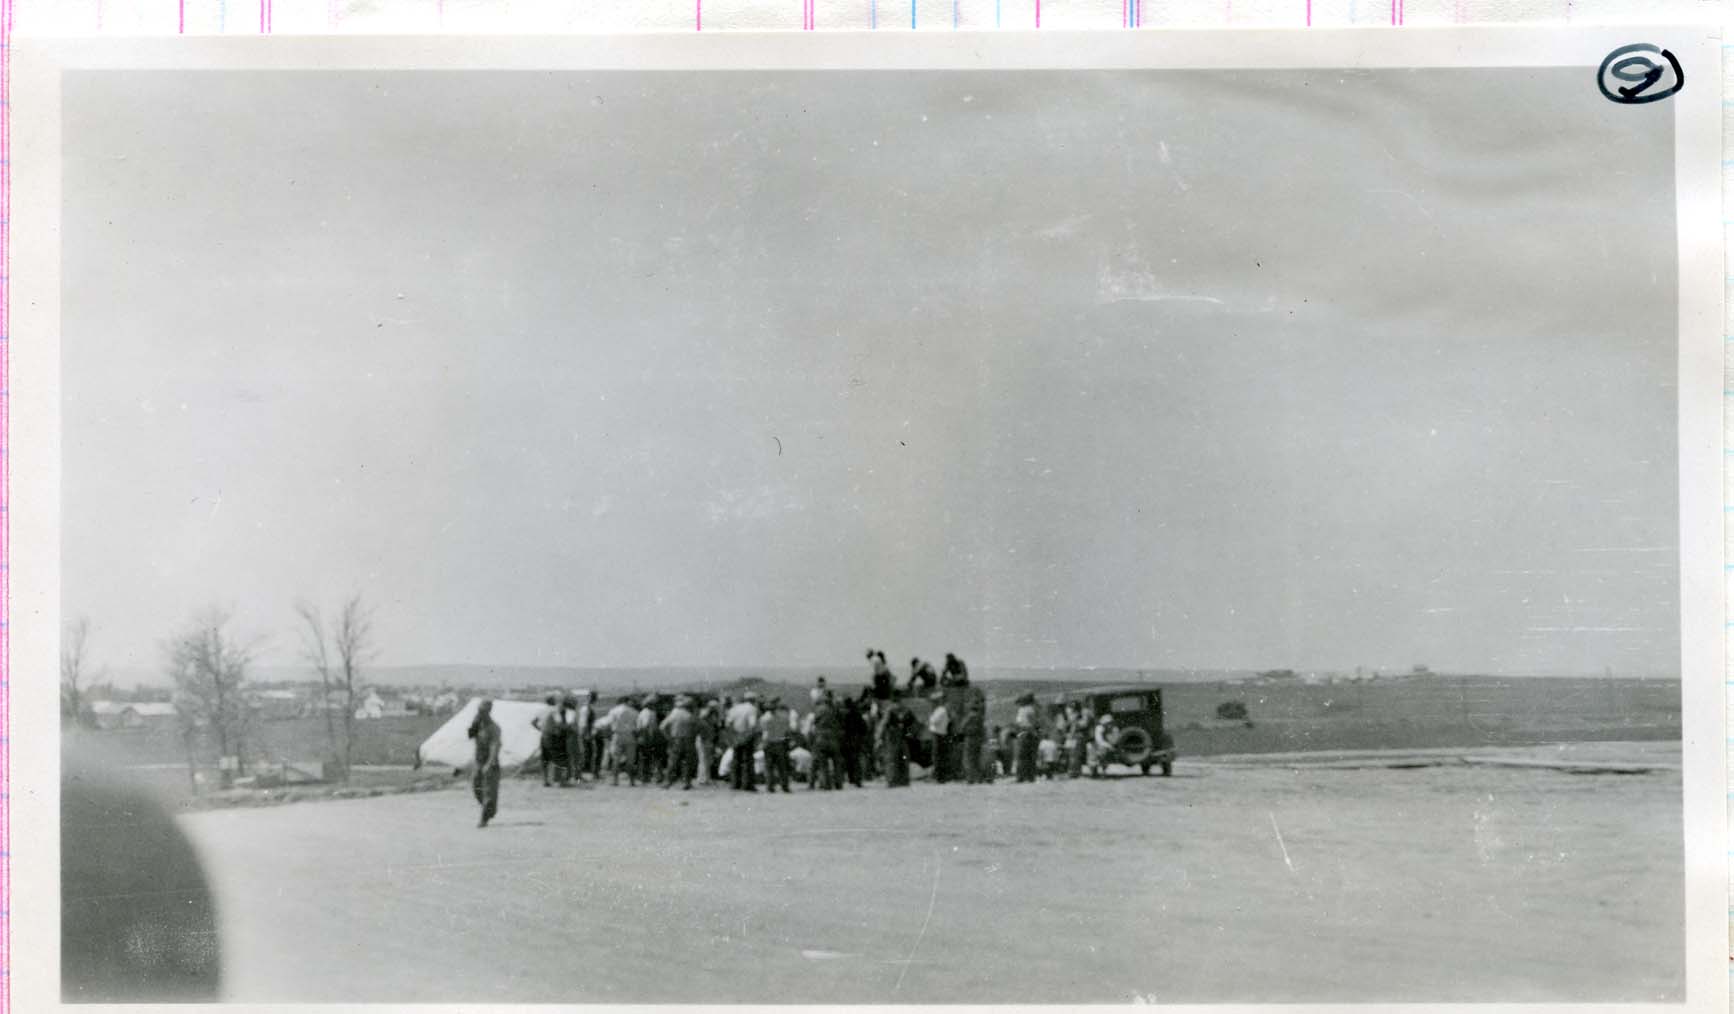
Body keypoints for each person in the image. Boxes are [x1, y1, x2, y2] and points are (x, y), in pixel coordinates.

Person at [467, 700, 502, 828]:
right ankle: (490, 809)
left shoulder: (494, 728)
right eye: (479, 711)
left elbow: (495, 746)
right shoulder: (477, 725)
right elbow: (469, 737)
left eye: (482, 711)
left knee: (488, 791)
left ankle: (484, 818)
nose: (480, 713)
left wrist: (489, 763)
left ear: (488, 712)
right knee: (476, 787)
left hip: (491, 763)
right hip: (478, 761)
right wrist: (473, 725)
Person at [660, 696, 698, 790]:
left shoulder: (673, 714)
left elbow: (662, 727)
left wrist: (668, 737)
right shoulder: (690, 715)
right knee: (687, 762)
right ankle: (686, 782)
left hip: (675, 739)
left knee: (672, 762)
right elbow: (696, 727)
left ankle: (667, 782)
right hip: (688, 740)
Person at [725, 693, 761, 791]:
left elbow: (727, 724)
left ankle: (735, 784)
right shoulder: (752, 709)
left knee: (736, 760)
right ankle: (747, 784)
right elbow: (752, 725)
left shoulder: (734, 709)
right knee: (747, 761)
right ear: (753, 700)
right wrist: (750, 736)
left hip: (736, 735)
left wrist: (733, 735)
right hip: (747, 736)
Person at [810, 691, 844, 790]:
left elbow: (815, 722)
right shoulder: (836, 709)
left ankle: (826, 784)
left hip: (821, 737)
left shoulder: (819, 709)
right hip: (834, 737)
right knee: (837, 762)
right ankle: (839, 784)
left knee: (823, 763)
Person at [879, 695, 914, 787]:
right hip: (903, 737)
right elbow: (912, 723)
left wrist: (879, 737)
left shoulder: (890, 710)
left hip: (892, 737)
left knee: (892, 759)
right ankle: (904, 780)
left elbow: (884, 724)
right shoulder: (906, 709)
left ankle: (892, 780)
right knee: (904, 758)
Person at [760, 697, 793, 793]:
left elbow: (765, 733)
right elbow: (787, 731)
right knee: (782, 766)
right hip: (780, 743)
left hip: (769, 743)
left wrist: (763, 743)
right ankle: (785, 786)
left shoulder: (764, 718)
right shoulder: (783, 717)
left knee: (769, 766)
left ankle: (770, 786)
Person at [532, 693, 564, 787]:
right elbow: (559, 722)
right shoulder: (555, 710)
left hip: (544, 736)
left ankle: (545, 780)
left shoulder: (542, 710)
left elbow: (533, 722)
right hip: (553, 736)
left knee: (544, 759)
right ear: (553, 701)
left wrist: (541, 729)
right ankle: (557, 781)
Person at [607, 696, 639, 787]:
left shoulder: (613, 711)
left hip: (617, 735)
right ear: (627, 701)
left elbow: (609, 723)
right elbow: (637, 725)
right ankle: (631, 781)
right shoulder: (634, 712)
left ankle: (615, 780)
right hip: (630, 735)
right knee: (630, 759)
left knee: (616, 759)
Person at [840, 696, 868, 787]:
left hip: (846, 740)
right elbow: (864, 727)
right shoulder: (857, 714)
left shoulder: (844, 714)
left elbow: (842, 726)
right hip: (856, 739)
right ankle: (857, 780)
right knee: (856, 760)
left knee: (848, 761)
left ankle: (851, 778)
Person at [959, 696, 986, 784]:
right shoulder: (980, 717)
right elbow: (982, 729)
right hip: (978, 739)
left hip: (970, 738)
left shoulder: (969, 716)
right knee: (977, 759)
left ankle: (970, 778)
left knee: (968, 759)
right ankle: (979, 778)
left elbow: (962, 727)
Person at [926, 693, 952, 784]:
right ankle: (941, 777)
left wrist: (930, 716)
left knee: (936, 756)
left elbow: (934, 721)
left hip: (937, 734)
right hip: (942, 734)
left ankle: (938, 777)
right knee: (941, 756)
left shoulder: (940, 710)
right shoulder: (944, 710)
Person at [1014, 693, 1040, 783]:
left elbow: (1023, 723)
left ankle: (1021, 776)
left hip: (1025, 733)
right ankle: (1030, 776)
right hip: (1029, 733)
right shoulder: (1031, 709)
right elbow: (1035, 722)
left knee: (1022, 756)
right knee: (1030, 756)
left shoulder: (1024, 710)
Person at [696, 698, 723, 785]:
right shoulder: (705, 714)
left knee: (708, 760)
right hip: (703, 739)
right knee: (703, 759)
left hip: (709, 739)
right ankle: (702, 779)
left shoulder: (712, 715)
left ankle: (706, 778)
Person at [635, 696, 660, 785]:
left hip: (644, 738)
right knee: (648, 757)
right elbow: (645, 726)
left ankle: (645, 776)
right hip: (647, 738)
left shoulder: (643, 712)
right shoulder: (649, 713)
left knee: (644, 757)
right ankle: (646, 776)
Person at [1092, 713, 1120, 777]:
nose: (1109, 724)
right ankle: (1094, 770)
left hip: (1110, 746)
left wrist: (1112, 745)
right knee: (1101, 752)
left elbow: (1116, 739)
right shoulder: (1099, 728)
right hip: (1099, 746)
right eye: (1107, 723)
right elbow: (1099, 740)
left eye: (1110, 723)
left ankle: (1104, 770)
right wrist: (1109, 746)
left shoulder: (1114, 729)